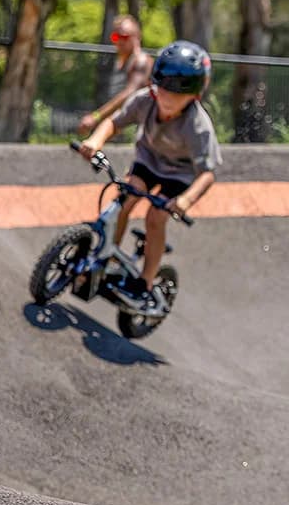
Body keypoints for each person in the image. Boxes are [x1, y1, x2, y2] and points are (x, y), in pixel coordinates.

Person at [78, 40, 219, 312]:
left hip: (179, 175)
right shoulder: (146, 100)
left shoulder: (198, 127)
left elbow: (207, 175)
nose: (166, 99)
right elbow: (114, 123)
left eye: (176, 96)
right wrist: (95, 141)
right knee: (125, 198)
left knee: (156, 218)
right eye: (162, 90)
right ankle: (109, 257)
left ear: (194, 96)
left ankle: (145, 281)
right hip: (148, 161)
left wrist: (185, 201)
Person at [77, 15, 154, 137]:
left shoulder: (141, 61)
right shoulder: (125, 62)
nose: (119, 41)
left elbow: (129, 93)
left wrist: (96, 116)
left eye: (124, 37)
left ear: (137, 37)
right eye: (116, 37)